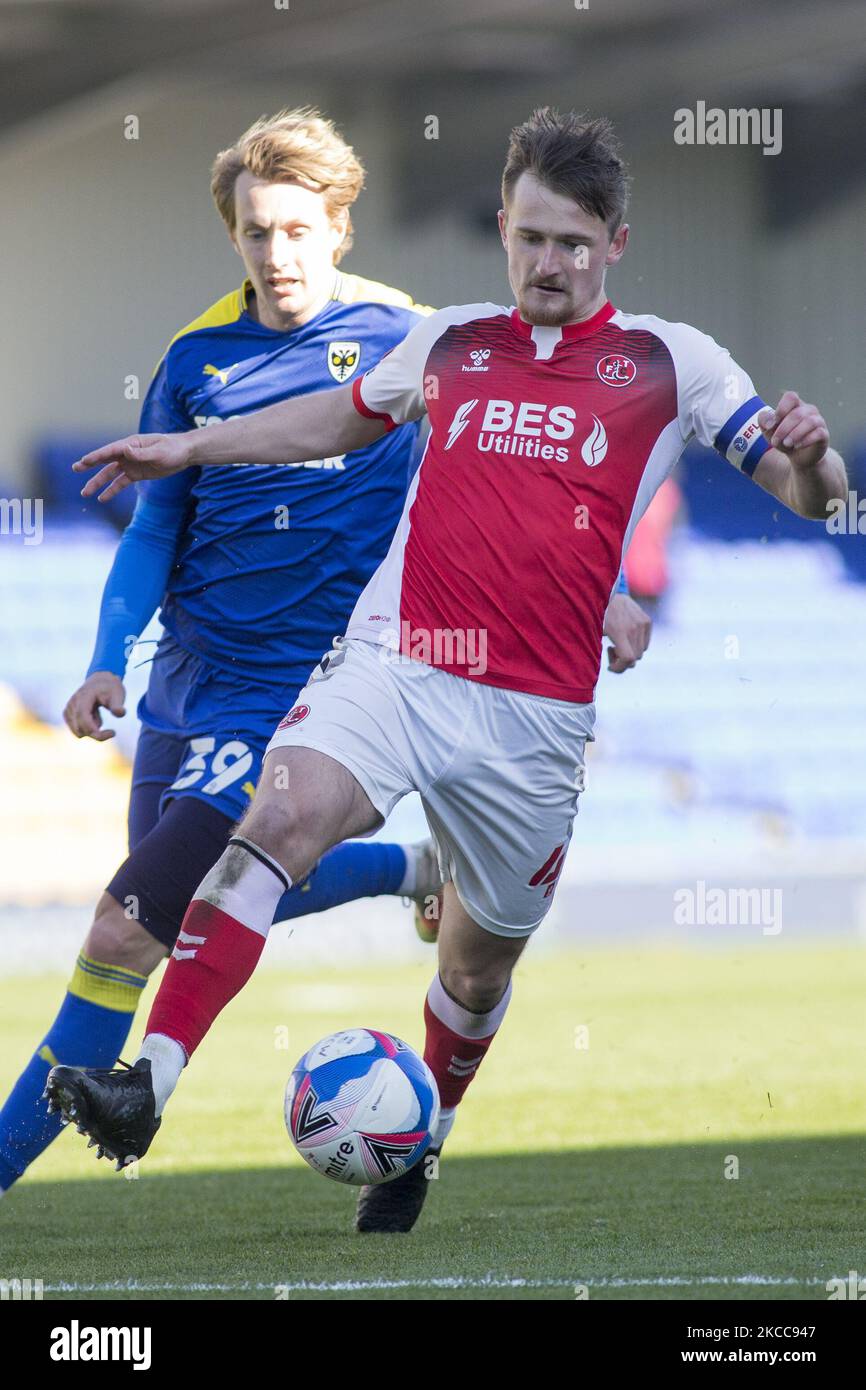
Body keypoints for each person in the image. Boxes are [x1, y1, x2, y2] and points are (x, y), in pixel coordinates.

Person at [53, 109, 780, 1241]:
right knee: (269, 825)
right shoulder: (434, 340)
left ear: (612, 245)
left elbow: (771, 485)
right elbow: (322, 429)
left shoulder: (649, 358)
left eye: (571, 243)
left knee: (477, 968)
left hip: (531, 713)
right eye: (530, 237)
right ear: (501, 226)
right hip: (396, 660)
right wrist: (188, 449)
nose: (547, 262)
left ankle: (419, 1133)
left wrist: (784, 484)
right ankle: (146, 1084)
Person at [0, 106, 452, 1198]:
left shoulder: (412, 341)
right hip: (185, 691)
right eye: (255, 231)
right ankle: (408, 869)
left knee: (123, 921)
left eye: (297, 229)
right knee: (180, 919)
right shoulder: (195, 356)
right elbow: (156, 526)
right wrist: (110, 657)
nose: (275, 253)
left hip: (304, 704)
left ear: (339, 229)